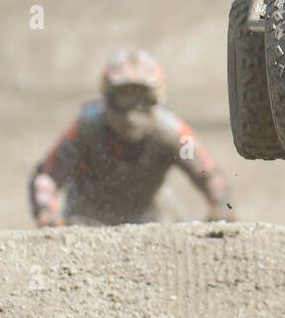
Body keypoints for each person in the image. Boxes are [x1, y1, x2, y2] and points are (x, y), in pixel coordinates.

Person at [29, 50, 234, 226]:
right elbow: (48, 176)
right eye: (124, 97)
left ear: (158, 99)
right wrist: (47, 211)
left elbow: (209, 176)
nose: (132, 112)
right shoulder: (86, 127)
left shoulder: (171, 131)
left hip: (150, 219)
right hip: (84, 219)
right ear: (107, 97)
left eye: (142, 99)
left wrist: (221, 205)